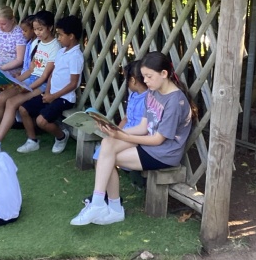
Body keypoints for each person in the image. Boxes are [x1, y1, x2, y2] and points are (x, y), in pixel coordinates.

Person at [70, 51, 198, 226]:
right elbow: (143, 127)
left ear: (164, 74)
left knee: (107, 157)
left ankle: (109, 207)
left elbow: (158, 140)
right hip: (149, 144)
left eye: (149, 76)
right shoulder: (153, 92)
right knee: (107, 143)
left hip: (163, 153)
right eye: (144, 76)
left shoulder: (175, 102)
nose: (145, 81)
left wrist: (122, 135)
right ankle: (101, 204)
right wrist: (115, 131)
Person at [0, 10, 60, 153]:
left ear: (50, 27)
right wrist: (15, 81)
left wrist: (26, 87)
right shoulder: (37, 43)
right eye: (35, 29)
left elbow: (44, 76)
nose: (37, 32)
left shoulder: (55, 47)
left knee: (12, 102)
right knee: (1, 97)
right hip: (30, 80)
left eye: (40, 29)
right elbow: (30, 70)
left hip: (42, 85)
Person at [83, 59, 148, 203]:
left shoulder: (149, 99)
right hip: (124, 135)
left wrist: (119, 135)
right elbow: (126, 118)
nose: (126, 83)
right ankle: (105, 194)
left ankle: (107, 197)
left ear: (133, 80)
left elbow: (144, 130)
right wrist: (115, 129)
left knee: (104, 155)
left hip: (136, 138)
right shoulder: (133, 95)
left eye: (127, 79)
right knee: (100, 154)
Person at [17, 15, 84, 153]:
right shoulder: (61, 51)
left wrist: (53, 96)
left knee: (41, 121)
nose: (58, 38)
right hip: (51, 94)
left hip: (64, 98)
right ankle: (32, 140)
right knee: (23, 109)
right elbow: (52, 75)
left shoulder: (76, 56)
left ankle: (61, 136)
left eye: (61, 35)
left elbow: (73, 84)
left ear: (71, 36)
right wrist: (47, 92)